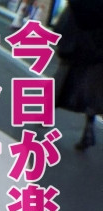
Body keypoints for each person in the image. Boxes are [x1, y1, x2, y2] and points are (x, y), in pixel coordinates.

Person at [53, 0, 103, 151]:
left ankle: (45, 115)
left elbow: (64, 25)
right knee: (92, 92)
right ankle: (88, 128)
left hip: (76, 49)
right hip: (97, 54)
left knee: (61, 84)